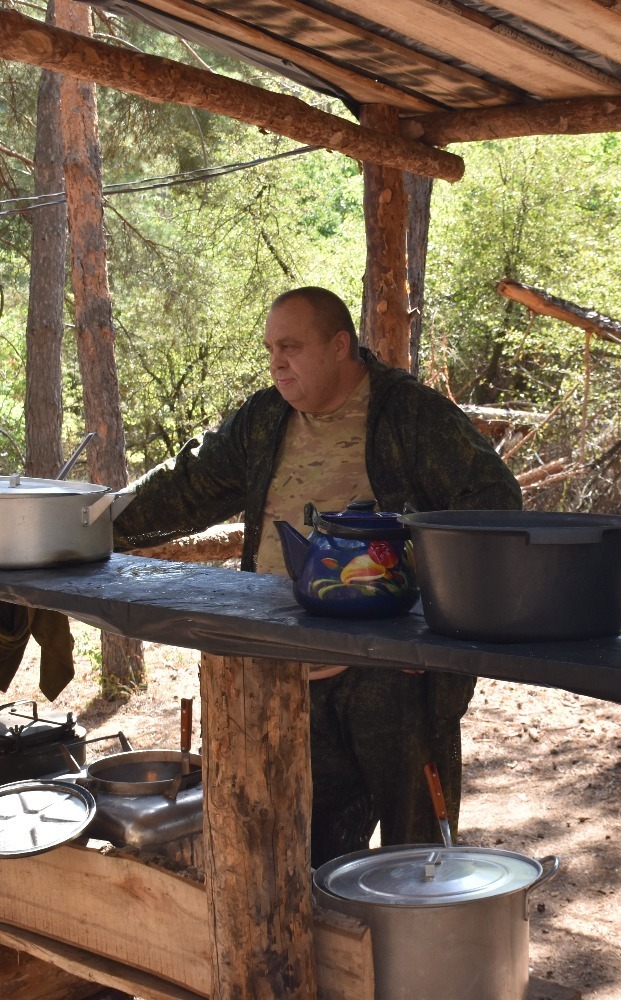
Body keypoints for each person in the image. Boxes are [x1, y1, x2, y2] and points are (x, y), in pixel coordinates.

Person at [114, 286, 522, 865]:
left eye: (291, 346)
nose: (277, 361)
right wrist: (99, 520)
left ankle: (415, 953)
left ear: (339, 345)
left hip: (388, 672)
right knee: (301, 851)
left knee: (417, 852)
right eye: (270, 349)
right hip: (283, 672)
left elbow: (495, 506)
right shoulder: (264, 419)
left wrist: (429, 618)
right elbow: (190, 483)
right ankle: (323, 956)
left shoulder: (409, 416)